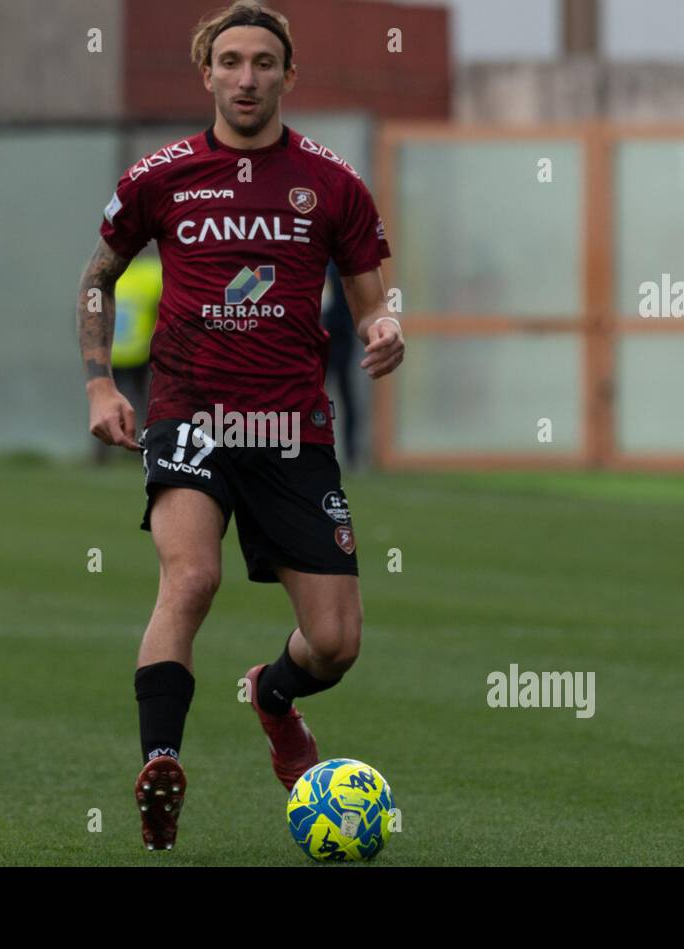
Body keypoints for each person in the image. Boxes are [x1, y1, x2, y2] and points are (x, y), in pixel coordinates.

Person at [73, 0, 404, 851]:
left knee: (335, 644)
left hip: (294, 428)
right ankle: (159, 767)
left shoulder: (333, 183)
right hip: (189, 413)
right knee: (190, 580)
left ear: (287, 76)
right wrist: (100, 383)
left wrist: (385, 330)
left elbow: (373, 299)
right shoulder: (163, 174)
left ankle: (273, 696)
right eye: (230, 61)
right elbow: (98, 276)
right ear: (207, 72)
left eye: (263, 62)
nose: (246, 77)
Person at [93, 252, 160, 464]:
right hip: (125, 351)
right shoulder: (152, 273)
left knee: (140, 403)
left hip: (134, 352)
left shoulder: (151, 273)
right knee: (115, 403)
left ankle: (137, 449)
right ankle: (107, 453)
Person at [321, 259, 361, 466]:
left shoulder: (339, 265)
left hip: (341, 337)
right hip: (318, 337)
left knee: (346, 394)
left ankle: (351, 451)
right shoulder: (318, 261)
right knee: (311, 394)